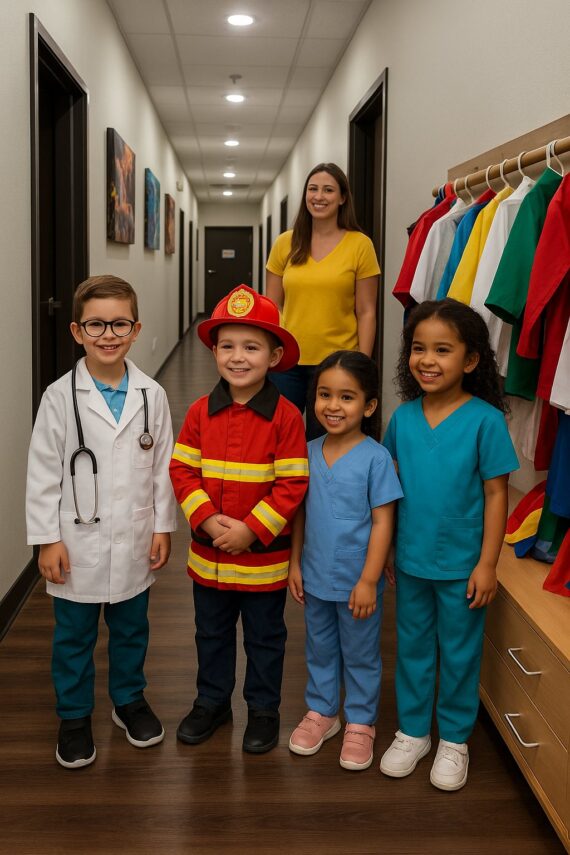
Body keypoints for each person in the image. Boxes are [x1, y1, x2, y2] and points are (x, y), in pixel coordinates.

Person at [26, 275, 176, 769]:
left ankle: (128, 700)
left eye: (119, 323)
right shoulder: (58, 396)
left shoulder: (152, 394)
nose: (107, 334)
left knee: (132, 628)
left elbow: (163, 468)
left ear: (136, 329)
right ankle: (74, 715)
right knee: (74, 635)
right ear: (76, 330)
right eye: (96, 324)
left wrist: (161, 527)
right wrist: (47, 539)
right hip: (77, 540)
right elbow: (44, 473)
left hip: (134, 536)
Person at [379, 298, 519, 791]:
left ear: (471, 360)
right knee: (413, 648)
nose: (427, 360)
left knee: (458, 653)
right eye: (418, 348)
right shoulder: (403, 419)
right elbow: (391, 489)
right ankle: (414, 732)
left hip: (463, 565)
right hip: (413, 560)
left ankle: (454, 739)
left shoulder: (485, 420)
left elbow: (496, 493)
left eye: (442, 349)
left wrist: (488, 563)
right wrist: (391, 548)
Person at [169, 285, 309, 755]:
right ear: (213, 352)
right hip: (208, 558)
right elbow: (182, 469)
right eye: (226, 346)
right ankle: (212, 701)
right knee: (210, 633)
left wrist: (252, 529)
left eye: (252, 347)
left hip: (262, 562)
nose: (237, 357)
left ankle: (264, 709)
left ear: (273, 356)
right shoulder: (197, 413)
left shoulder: (287, 417)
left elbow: (292, 484)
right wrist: (207, 521)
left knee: (265, 638)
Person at [288, 351, 402, 770]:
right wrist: (295, 563)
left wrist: (369, 579)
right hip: (316, 575)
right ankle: (322, 712)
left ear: (369, 406)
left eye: (347, 397)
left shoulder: (375, 459)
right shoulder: (307, 450)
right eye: (324, 395)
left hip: (358, 580)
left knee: (360, 653)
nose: (333, 406)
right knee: (318, 647)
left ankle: (360, 721)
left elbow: (383, 522)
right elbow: (300, 513)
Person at [266, 162, 380, 439]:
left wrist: (361, 365)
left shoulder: (359, 245)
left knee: (327, 440)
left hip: (338, 363)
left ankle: (323, 485)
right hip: (287, 361)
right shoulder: (285, 243)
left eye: (328, 190)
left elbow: (366, 312)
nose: (319, 196)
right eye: (313, 189)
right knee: (279, 435)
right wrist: (267, 354)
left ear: (342, 198)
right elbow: (271, 307)